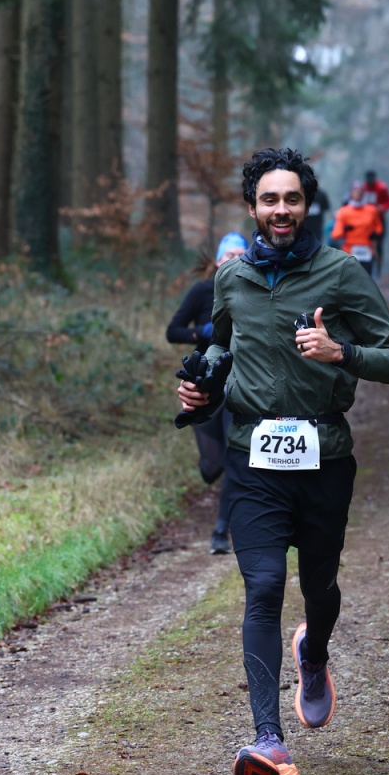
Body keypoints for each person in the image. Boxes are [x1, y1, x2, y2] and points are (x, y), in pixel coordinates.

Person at [176, 147, 389, 775]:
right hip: (253, 459)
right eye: (269, 200)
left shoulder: (340, 272)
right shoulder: (232, 278)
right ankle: (268, 740)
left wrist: (341, 352)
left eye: (292, 199)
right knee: (263, 586)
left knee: (320, 586)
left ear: (308, 205)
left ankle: (314, 652)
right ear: (252, 207)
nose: (281, 210)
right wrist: (202, 389)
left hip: (324, 458)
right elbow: (221, 348)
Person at [166, 231, 247, 553]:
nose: (235, 261)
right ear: (217, 261)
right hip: (204, 386)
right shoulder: (202, 291)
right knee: (211, 466)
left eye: (241, 255)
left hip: (238, 384)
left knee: (232, 456)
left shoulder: (254, 292)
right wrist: (201, 332)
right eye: (229, 256)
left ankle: (221, 529)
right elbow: (172, 331)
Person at [330, 182, 384, 274]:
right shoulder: (343, 212)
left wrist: (375, 234)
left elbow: (379, 227)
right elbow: (335, 234)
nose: (358, 193)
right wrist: (344, 230)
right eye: (356, 191)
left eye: (360, 191)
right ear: (351, 193)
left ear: (364, 193)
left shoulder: (372, 210)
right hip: (349, 251)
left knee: (367, 277)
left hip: (367, 250)